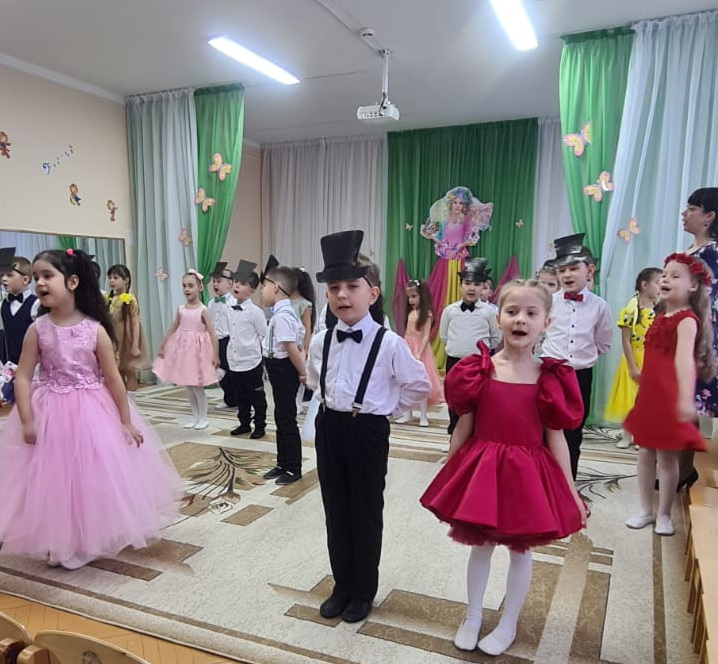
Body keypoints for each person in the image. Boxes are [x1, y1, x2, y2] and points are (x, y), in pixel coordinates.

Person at [420, 279, 587, 656]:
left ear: (546, 322)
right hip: (483, 468)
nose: (520, 319)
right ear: (499, 319)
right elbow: (464, 425)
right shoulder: (478, 370)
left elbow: (556, 438)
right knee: (480, 547)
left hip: (526, 473)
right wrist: (450, 472)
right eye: (512, 311)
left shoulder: (549, 376)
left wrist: (570, 490)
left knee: (520, 550)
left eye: (531, 313)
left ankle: (509, 622)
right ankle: (473, 616)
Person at [0, 248, 182, 570]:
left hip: (91, 411)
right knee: (51, 477)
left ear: (72, 282)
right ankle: (57, 538)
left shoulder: (94, 329)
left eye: (48, 276)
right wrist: (26, 418)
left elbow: (113, 380)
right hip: (48, 410)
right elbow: (24, 376)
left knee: (88, 476)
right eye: (37, 277)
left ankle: (86, 539)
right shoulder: (37, 329)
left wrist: (125, 421)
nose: (40, 283)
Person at [307, 230, 430, 624]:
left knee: (364, 511)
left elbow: (419, 384)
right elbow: (315, 380)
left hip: (367, 432)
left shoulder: (389, 342)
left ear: (372, 294)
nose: (343, 295)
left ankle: (363, 590)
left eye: (352, 287)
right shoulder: (321, 341)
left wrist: (388, 410)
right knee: (335, 510)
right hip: (329, 427)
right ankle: (342, 584)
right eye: (334, 288)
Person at [624, 253, 715, 536]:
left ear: (693, 286)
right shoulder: (661, 315)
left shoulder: (687, 320)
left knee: (666, 457)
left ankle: (663, 514)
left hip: (669, 398)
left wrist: (684, 399)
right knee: (644, 452)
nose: (665, 279)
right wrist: (641, 376)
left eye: (675, 276)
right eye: (664, 274)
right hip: (649, 395)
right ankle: (645, 509)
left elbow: (684, 361)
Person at [541, 234, 612, 479]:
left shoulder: (599, 306)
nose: (567, 274)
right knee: (546, 427)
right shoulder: (548, 302)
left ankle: (567, 480)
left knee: (573, 430)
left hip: (580, 376)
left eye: (573, 268)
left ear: (589, 270)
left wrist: (582, 358)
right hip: (550, 373)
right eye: (562, 270)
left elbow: (603, 342)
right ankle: (543, 478)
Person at [678, 187, 718, 489]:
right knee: (684, 401)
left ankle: (686, 469)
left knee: (694, 399)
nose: (684, 213)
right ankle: (683, 468)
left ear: (709, 217)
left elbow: (704, 297)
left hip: (699, 332)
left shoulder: (712, 253)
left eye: (692, 208)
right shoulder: (690, 252)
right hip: (681, 329)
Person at [439, 258, 501, 434]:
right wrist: (458, 349)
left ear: (483, 287)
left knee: (479, 399)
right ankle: (455, 432)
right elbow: (444, 336)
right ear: (460, 286)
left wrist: (481, 354)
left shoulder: (490, 312)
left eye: (477, 284)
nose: (471, 288)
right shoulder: (450, 310)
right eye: (467, 283)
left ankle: (477, 435)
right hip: (455, 362)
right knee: (455, 397)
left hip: (479, 364)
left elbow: (496, 337)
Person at [153, 269, 219, 430]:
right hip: (184, 352)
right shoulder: (181, 309)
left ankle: (203, 417)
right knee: (188, 386)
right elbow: (173, 328)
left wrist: (215, 355)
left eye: (190, 286)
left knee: (197, 386)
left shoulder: (203, 310)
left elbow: (212, 332)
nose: (187, 289)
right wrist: (163, 345)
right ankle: (195, 416)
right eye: (184, 286)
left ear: (200, 287)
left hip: (198, 353)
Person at [604, 267, 661, 448]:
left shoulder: (660, 311)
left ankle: (641, 434)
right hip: (633, 359)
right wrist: (632, 366)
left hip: (652, 360)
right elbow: (626, 340)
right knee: (630, 399)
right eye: (657, 283)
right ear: (644, 285)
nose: (661, 287)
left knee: (648, 400)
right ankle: (628, 434)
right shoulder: (630, 311)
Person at [260, 263, 306, 485]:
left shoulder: (283, 316)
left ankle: (293, 467)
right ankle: (282, 463)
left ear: (276, 287)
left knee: (287, 419)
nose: (261, 291)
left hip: (283, 369)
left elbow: (291, 348)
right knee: (280, 416)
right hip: (277, 369)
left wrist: (303, 373)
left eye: (264, 286)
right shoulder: (282, 314)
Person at [220, 260, 268, 439]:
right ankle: (244, 423)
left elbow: (264, 335)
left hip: (251, 361)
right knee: (240, 396)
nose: (237, 286)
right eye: (236, 282)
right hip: (234, 361)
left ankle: (260, 425)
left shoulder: (256, 312)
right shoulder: (228, 309)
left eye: (242, 284)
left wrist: (260, 356)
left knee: (256, 396)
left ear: (252, 290)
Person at [396, 278, 442, 426]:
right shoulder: (411, 312)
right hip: (407, 347)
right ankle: (407, 413)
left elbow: (426, 336)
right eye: (409, 297)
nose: (411, 300)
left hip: (419, 349)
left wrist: (419, 353)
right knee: (406, 382)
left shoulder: (426, 313)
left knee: (421, 382)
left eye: (414, 296)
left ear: (422, 295)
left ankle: (423, 415)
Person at [0, 250, 40, 404]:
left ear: (25, 279)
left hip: (34, 368)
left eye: (9, 275)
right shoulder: (3, 305)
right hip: (11, 366)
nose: (4, 279)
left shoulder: (36, 304)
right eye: (2, 275)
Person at [106, 264, 150, 399]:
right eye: (110, 278)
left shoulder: (130, 299)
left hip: (127, 340)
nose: (112, 281)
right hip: (114, 340)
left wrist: (135, 345)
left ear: (126, 280)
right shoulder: (109, 299)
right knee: (118, 370)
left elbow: (135, 323)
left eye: (116, 277)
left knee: (129, 371)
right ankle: (122, 399)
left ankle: (132, 401)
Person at [420, 186, 493, 261]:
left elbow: (472, 239)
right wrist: (432, 237)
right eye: (455, 202)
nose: (457, 206)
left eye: (461, 203)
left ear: (464, 205)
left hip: (460, 257)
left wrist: (460, 245)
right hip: (446, 257)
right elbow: (442, 241)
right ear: (451, 203)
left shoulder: (467, 220)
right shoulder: (444, 219)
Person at [208, 262, 237, 410]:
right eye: (214, 281)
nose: (215, 284)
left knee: (232, 371)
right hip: (216, 341)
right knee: (220, 370)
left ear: (229, 283)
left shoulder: (234, 302)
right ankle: (228, 399)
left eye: (219, 281)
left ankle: (239, 399)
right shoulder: (211, 303)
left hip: (230, 341)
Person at [291, 267, 316, 412]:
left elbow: (307, 327)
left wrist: (305, 348)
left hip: (299, 344)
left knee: (299, 374)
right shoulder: (284, 302)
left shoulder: (304, 304)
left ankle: (298, 402)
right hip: (286, 344)